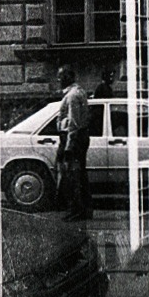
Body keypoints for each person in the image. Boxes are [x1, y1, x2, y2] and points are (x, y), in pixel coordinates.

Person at [55, 64, 92, 221]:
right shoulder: (79, 92)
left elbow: (74, 124)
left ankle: (77, 210)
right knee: (80, 176)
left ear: (68, 77)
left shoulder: (71, 96)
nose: (58, 79)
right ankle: (84, 210)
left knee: (73, 177)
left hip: (73, 139)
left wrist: (69, 146)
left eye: (61, 76)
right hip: (79, 138)